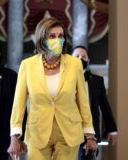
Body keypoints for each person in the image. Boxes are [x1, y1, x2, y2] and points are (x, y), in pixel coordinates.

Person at [8, 17, 98, 160]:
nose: (58, 40)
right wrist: (14, 137)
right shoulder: (27, 65)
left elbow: (83, 102)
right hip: (37, 133)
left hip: (68, 132)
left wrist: (90, 135)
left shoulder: (75, 64)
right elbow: (18, 105)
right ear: (42, 39)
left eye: (60, 36)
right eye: (52, 36)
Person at [72, 46, 118, 159]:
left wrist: (112, 129)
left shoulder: (97, 81)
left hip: (90, 135)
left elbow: (104, 106)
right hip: (67, 133)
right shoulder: (61, 80)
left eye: (84, 56)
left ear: (88, 60)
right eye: (77, 56)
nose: (80, 59)